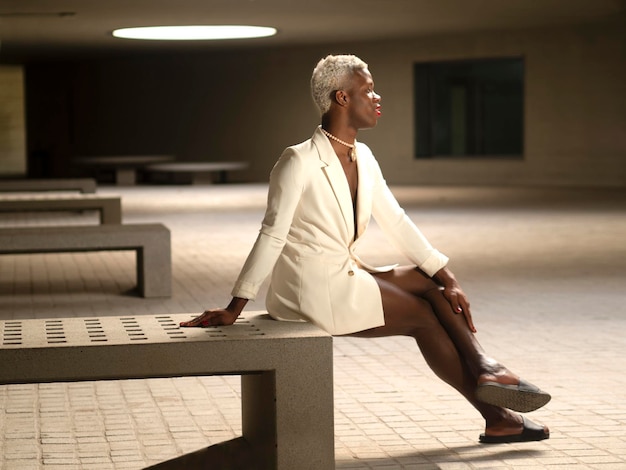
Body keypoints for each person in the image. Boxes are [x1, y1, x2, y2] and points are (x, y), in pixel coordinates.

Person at [181, 54, 551, 444]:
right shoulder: (297, 161)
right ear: (341, 98)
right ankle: (496, 411)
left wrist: (448, 275)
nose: (376, 97)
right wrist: (234, 307)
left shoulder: (365, 157)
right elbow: (272, 234)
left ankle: (486, 369)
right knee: (426, 316)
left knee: (433, 286)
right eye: (367, 90)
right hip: (311, 291)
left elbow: (396, 221)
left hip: (344, 271)